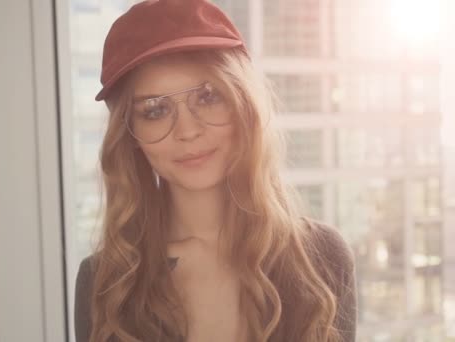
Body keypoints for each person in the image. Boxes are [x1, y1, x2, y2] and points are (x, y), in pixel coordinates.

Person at [74, 0, 357, 341]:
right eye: (155, 110)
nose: (188, 130)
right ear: (131, 134)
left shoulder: (322, 257)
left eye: (208, 97)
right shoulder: (104, 282)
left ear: (243, 105)